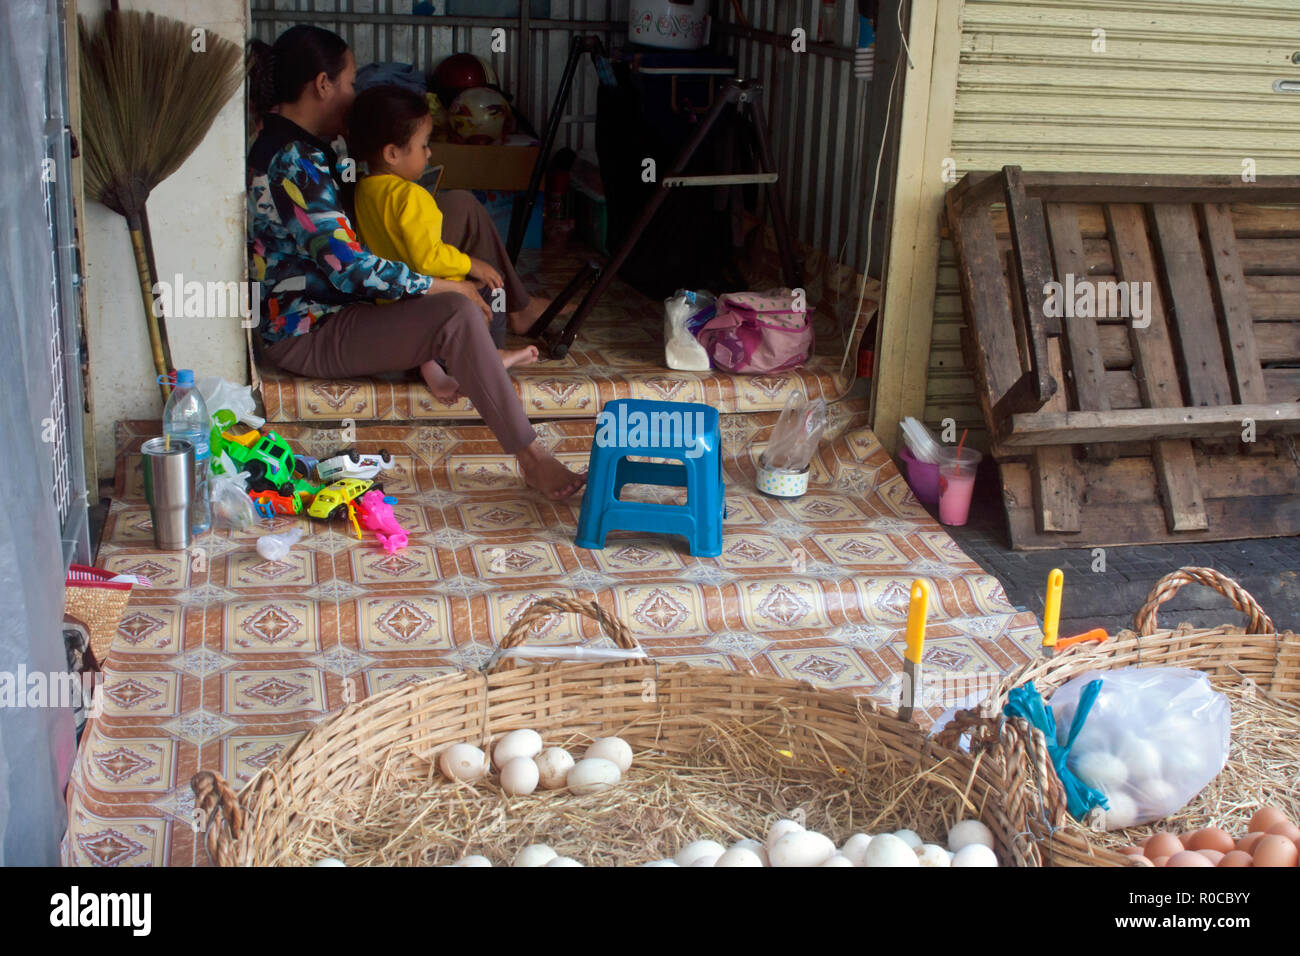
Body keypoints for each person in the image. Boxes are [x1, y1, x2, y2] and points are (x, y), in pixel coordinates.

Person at [246, 26, 583, 499]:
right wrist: (444, 284)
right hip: (311, 329)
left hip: (354, 305)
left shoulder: (312, 146)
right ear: (321, 86)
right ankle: (532, 457)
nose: (351, 94)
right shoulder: (291, 161)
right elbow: (350, 267)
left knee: (461, 206)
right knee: (457, 309)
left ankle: (517, 313)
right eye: (347, 83)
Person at [346, 83, 540, 397]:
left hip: (392, 301)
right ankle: (492, 353)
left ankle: (431, 366)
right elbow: (427, 258)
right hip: (428, 294)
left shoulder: (365, 189)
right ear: (392, 153)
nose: (429, 152)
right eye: (424, 145)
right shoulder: (412, 195)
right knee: (492, 283)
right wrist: (470, 263)